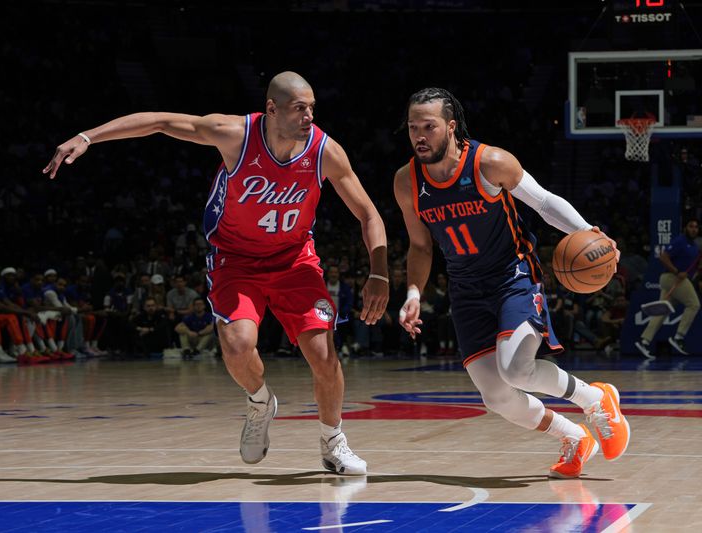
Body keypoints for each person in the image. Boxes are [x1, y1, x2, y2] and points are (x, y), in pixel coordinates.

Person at [43, 71, 389, 475]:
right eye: (299, 108)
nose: (309, 116)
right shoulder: (234, 135)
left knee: (324, 354)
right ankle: (260, 401)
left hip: (295, 261)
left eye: (312, 108)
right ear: (271, 109)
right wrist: (87, 136)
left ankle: (333, 442)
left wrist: (378, 273)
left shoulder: (325, 151)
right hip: (236, 260)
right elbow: (159, 121)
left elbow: (368, 213)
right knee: (239, 345)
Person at [395, 88, 628, 479]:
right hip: (466, 290)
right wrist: (413, 293)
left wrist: (591, 233)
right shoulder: (406, 182)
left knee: (516, 369)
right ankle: (573, 436)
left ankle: (596, 399)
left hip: (512, 276)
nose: (420, 135)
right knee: (497, 396)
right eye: (413, 127)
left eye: (429, 127)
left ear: (451, 128)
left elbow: (544, 202)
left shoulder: (490, 162)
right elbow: (420, 246)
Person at [635, 218, 700, 358]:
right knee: (694, 304)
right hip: (672, 278)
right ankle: (679, 337)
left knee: (663, 310)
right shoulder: (680, 241)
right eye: (691, 226)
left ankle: (644, 341)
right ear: (685, 228)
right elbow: (663, 257)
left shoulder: (694, 246)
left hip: (676, 280)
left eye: (696, 227)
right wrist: (677, 271)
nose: (694, 229)